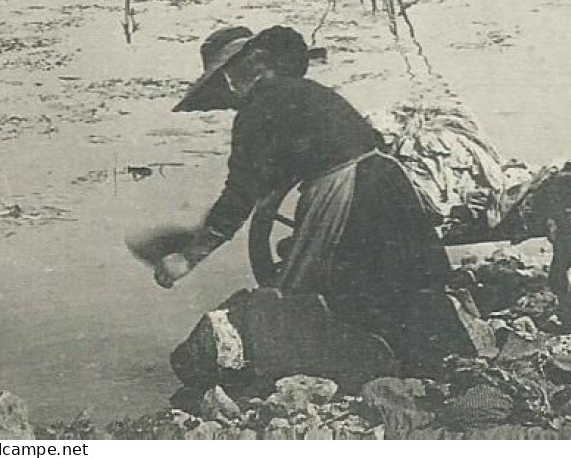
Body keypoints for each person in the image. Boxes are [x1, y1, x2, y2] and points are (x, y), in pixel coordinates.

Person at [154, 25, 451, 351]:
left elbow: (241, 193)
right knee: (405, 284)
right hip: (392, 183)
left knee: (302, 295)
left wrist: (187, 259)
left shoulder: (257, 111)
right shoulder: (311, 92)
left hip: (348, 193)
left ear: (250, 66)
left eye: (226, 76)